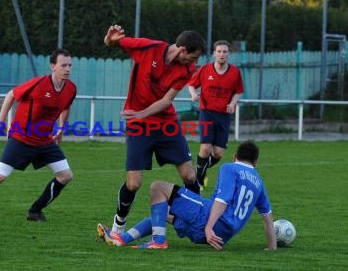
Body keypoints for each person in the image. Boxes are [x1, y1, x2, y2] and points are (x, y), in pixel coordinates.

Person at [102, 24, 206, 235]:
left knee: (189, 176)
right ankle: (117, 228)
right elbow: (113, 42)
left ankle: (202, 223)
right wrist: (109, 38)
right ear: (182, 49)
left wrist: (142, 113)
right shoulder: (148, 48)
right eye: (193, 57)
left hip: (166, 123)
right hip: (139, 125)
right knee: (134, 183)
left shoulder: (187, 70)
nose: (195, 63)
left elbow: (167, 100)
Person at [0, 49, 76, 223]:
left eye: (70, 65)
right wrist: (1, 120)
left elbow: (66, 106)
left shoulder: (71, 88)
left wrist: (61, 129)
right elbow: (11, 94)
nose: (67, 69)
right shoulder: (38, 83)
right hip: (21, 138)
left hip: (45, 140)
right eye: (63, 65)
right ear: (53, 66)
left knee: (66, 175)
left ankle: (35, 211)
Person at [97, 140, 277, 250]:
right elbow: (268, 218)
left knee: (158, 188)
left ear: (235, 156)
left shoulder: (230, 168)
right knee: (163, 214)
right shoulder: (259, 183)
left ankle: (158, 242)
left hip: (207, 224)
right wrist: (272, 248)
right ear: (256, 162)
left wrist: (209, 227)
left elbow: (223, 200)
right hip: (221, 238)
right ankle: (122, 239)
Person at [188, 40, 244, 188]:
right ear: (214, 54)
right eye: (219, 51)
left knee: (218, 153)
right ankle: (198, 181)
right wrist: (193, 94)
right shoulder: (205, 70)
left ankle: (200, 170)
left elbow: (238, 91)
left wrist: (232, 104)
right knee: (205, 148)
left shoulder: (235, 72)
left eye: (224, 51)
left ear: (229, 54)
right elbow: (191, 85)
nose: (221, 54)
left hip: (223, 116)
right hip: (207, 113)